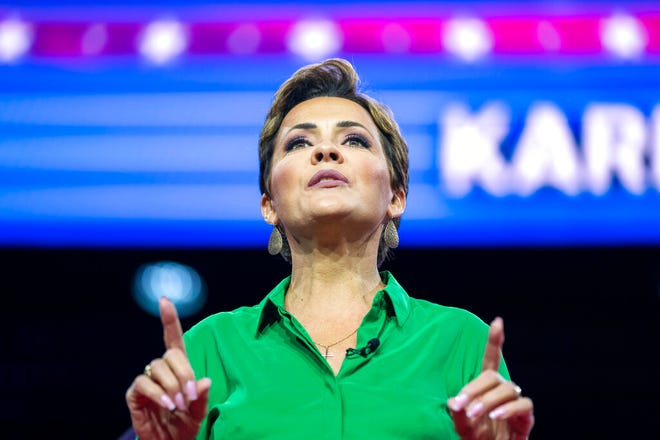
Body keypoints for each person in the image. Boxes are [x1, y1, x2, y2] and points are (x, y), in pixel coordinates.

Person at [125, 58, 534, 439]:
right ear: (269, 204)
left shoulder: (462, 341)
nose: (325, 151)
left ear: (396, 195)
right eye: (298, 144)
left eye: (355, 140)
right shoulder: (209, 345)